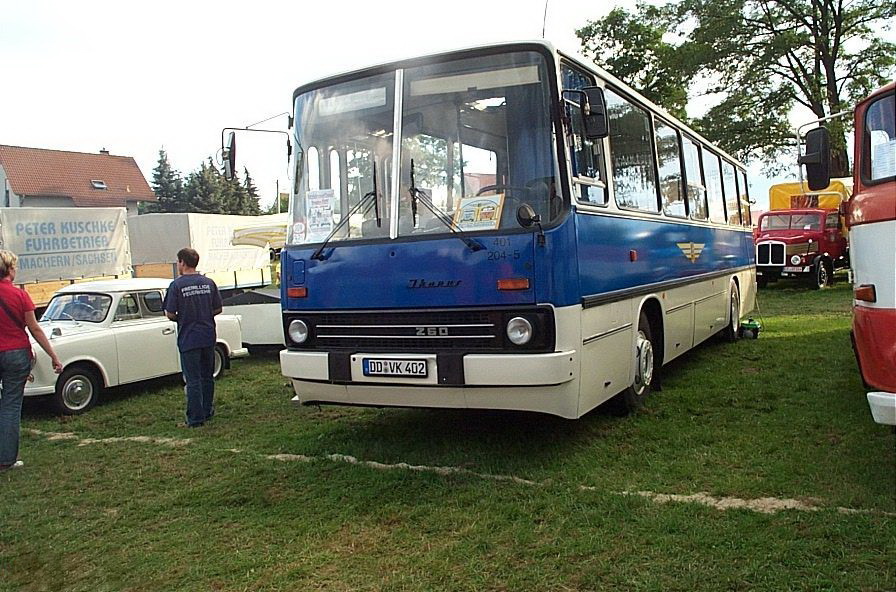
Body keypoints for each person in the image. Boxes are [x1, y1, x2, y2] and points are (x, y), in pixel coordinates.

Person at [0, 250, 63, 472]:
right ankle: (6, 459)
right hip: (16, 352)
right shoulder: (20, 295)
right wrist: (53, 356)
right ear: (9, 270)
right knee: (10, 405)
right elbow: (34, 328)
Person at [164, 248, 222, 428]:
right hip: (208, 335)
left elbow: (170, 313)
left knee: (193, 379)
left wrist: (184, 316)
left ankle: (195, 419)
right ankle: (207, 410)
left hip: (189, 337)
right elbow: (218, 308)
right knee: (207, 376)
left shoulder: (177, 286)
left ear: (182, 262)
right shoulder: (208, 282)